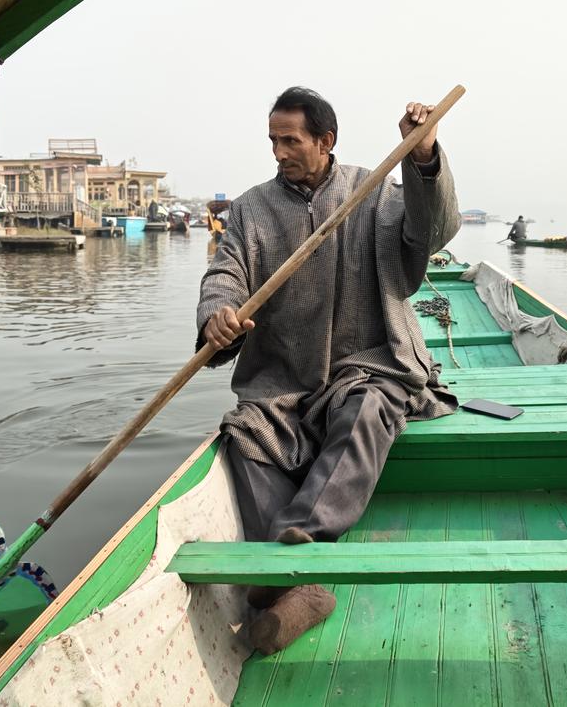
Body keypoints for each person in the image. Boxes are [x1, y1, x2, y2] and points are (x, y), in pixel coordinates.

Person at [196, 86, 460, 655]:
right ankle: (305, 589)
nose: (278, 152)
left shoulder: (374, 191)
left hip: (368, 360)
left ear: (325, 141)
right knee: (247, 435)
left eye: (290, 141)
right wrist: (219, 314)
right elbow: (226, 272)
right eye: (272, 141)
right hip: (284, 375)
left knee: (367, 408)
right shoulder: (250, 209)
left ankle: (293, 553)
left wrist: (424, 156)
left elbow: (432, 232)